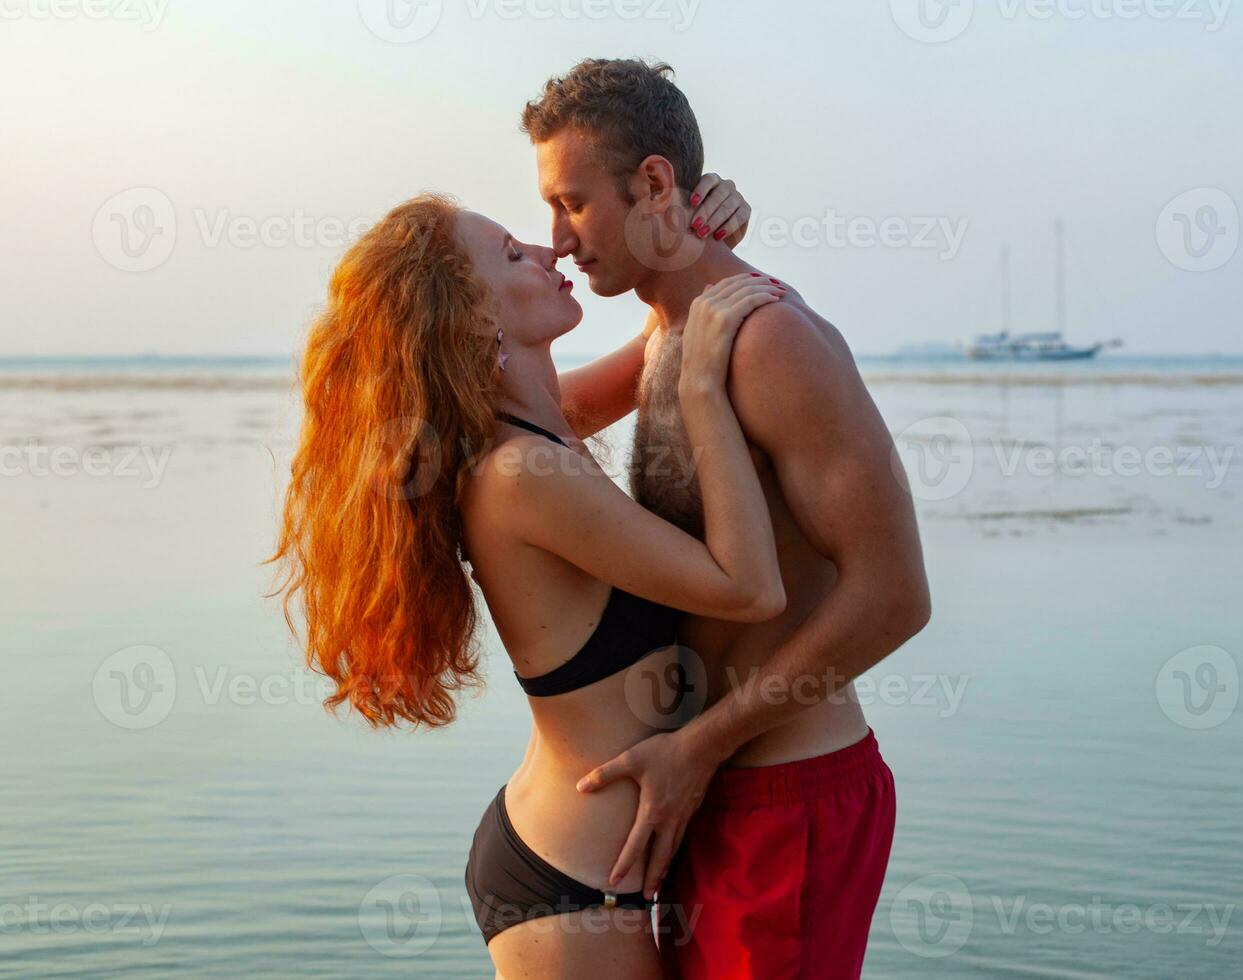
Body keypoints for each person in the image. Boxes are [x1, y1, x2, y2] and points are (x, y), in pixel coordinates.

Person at [270, 187, 789, 979]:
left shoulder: (541, 424)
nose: (551, 252)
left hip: (582, 862)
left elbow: (672, 327)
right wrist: (702, 396)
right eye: (513, 253)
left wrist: (694, 222)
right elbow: (749, 589)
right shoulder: (520, 473)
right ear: (473, 319)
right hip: (572, 890)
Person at [522, 58, 932, 979]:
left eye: (573, 203)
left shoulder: (770, 341)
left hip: (783, 794)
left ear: (655, 182)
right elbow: (525, 420)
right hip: (702, 782)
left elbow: (897, 595)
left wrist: (699, 748)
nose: (557, 241)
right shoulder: (673, 336)